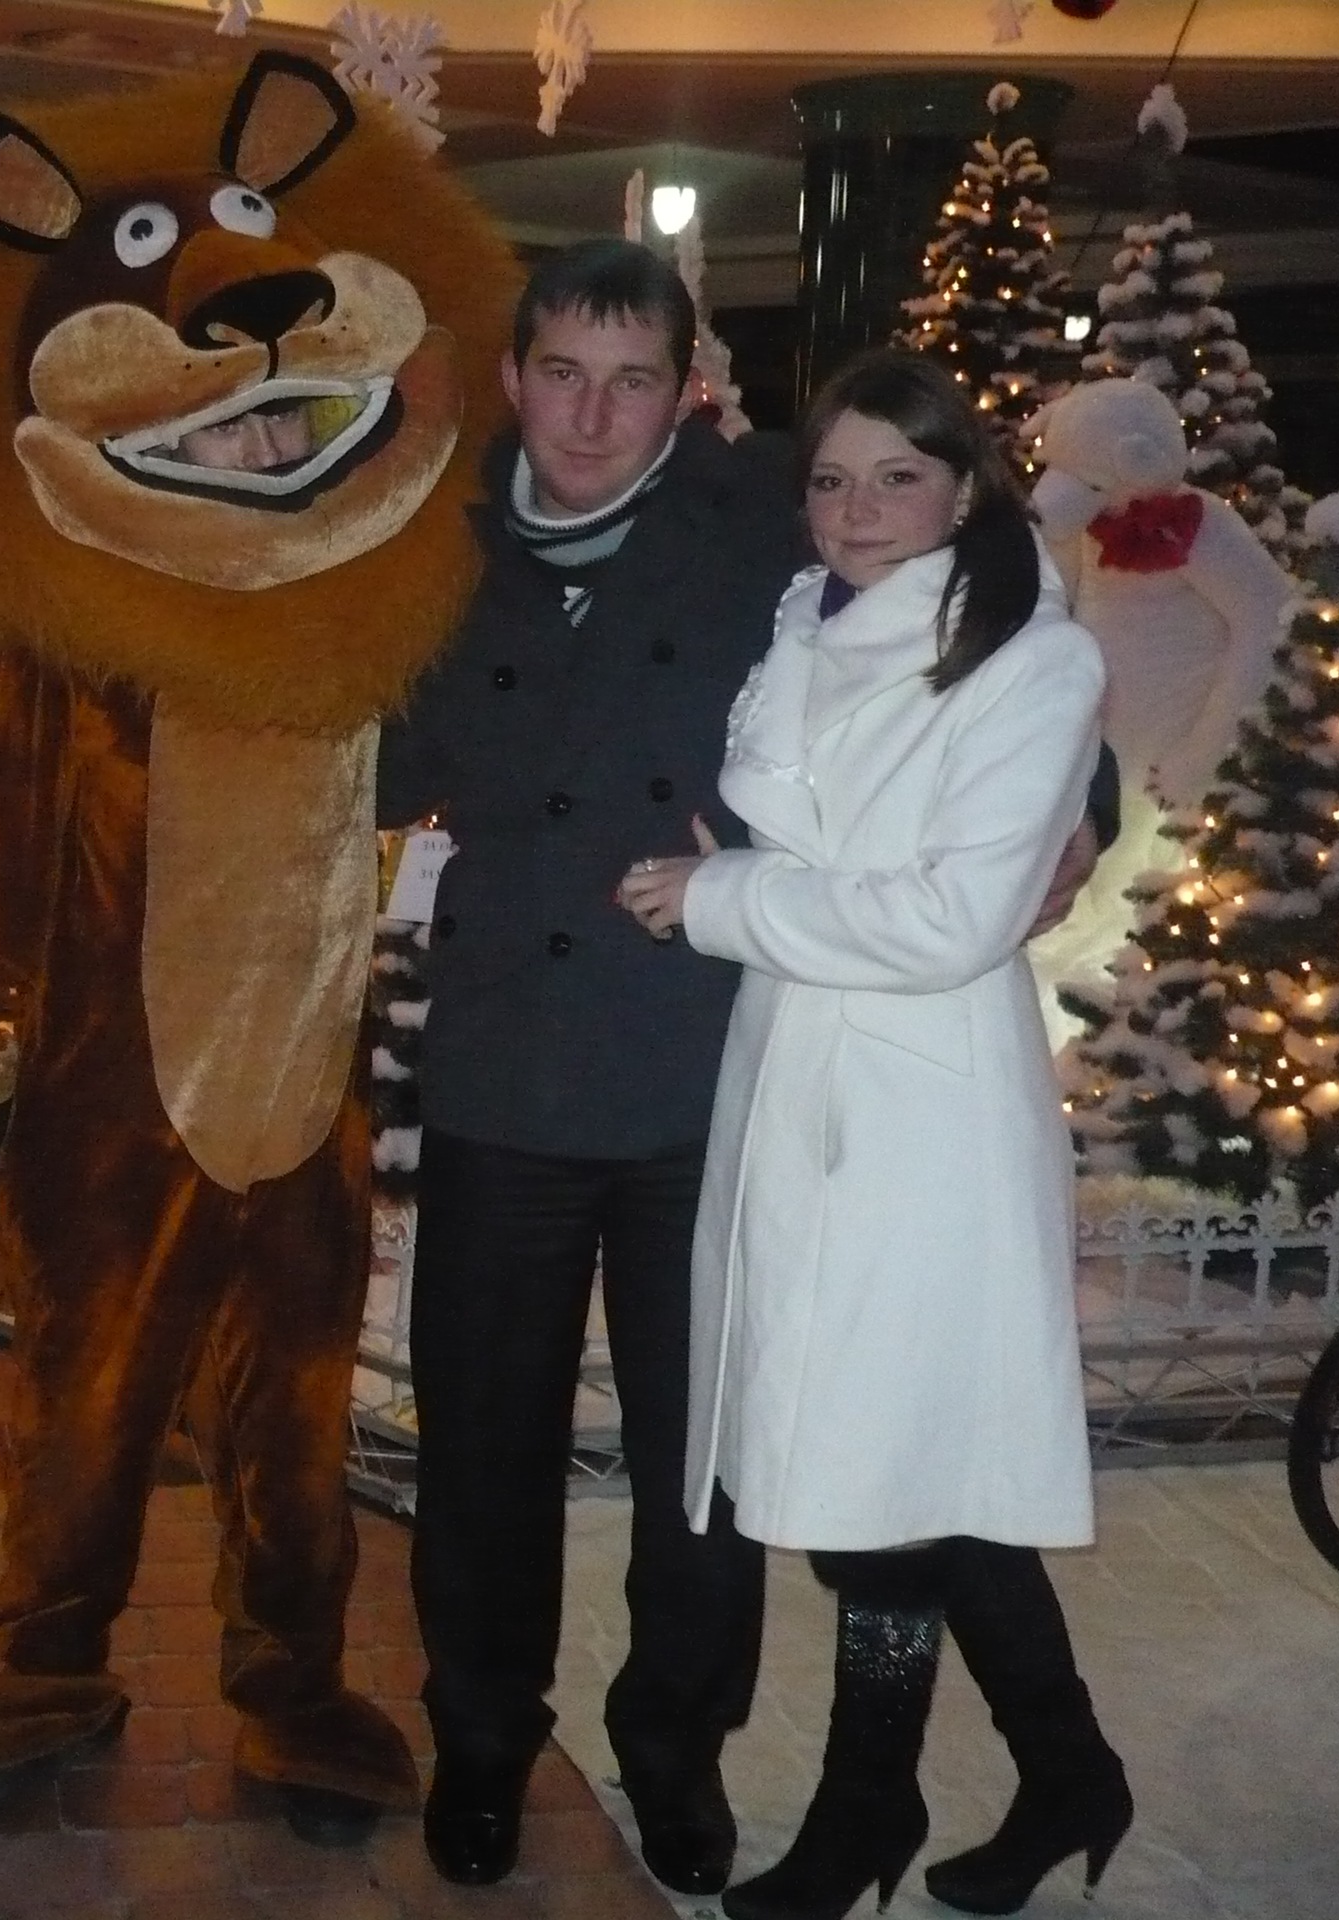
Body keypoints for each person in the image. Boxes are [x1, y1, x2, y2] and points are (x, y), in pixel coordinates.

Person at [381, 243, 1111, 1896]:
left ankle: (673, 1749)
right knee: (481, 1444)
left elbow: (985, 621)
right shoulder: (427, 542)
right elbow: (340, 733)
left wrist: (1086, 808)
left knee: (694, 1458)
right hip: (507, 1054)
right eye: (563, 375)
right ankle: (482, 1742)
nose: (592, 415)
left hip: (707, 1064)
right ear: (511, 379)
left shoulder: (770, 513)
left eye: (632, 380)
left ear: (686, 390)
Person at [619, 350, 1131, 1920]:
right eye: (833, 480)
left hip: (924, 1113)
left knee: (887, 1485)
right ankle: (1066, 1772)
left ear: (964, 490)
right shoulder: (805, 621)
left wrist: (724, 894)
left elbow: (955, 918)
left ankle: (866, 1810)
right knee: (911, 1464)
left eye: (898, 477)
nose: (858, 510)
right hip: (797, 1080)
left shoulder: (1030, 661)